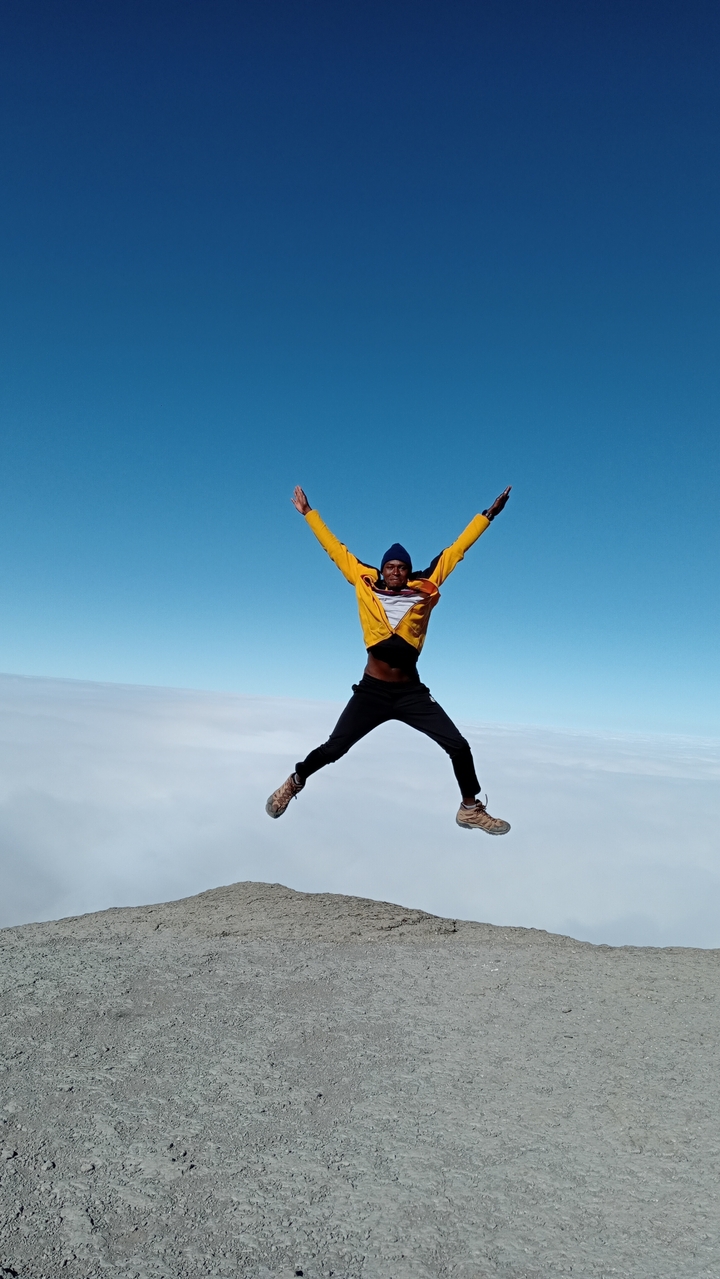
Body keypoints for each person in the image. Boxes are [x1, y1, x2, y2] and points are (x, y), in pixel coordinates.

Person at [266, 484, 512, 833]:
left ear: (408, 571)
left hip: (411, 693)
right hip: (373, 692)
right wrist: (309, 514)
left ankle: (470, 809)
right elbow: (335, 550)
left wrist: (487, 516)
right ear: (382, 570)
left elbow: (456, 551)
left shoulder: (423, 585)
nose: (395, 570)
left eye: (401, 567)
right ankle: (294, 782)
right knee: (335, 748)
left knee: (459, 746)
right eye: (390, 566)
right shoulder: (365, 582)